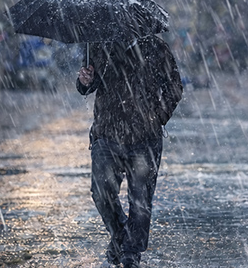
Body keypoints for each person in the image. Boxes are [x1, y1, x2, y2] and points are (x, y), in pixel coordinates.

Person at [77, 34, 183, 268]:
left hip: (144, 138)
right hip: (106, 133)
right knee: (101, 191)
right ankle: (120, 236)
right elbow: (87, 86)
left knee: (140, 200)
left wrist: (156, 118)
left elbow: (174, 87)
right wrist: (85, 80)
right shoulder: (99, 44)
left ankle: (130, 254)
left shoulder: (156, 47)